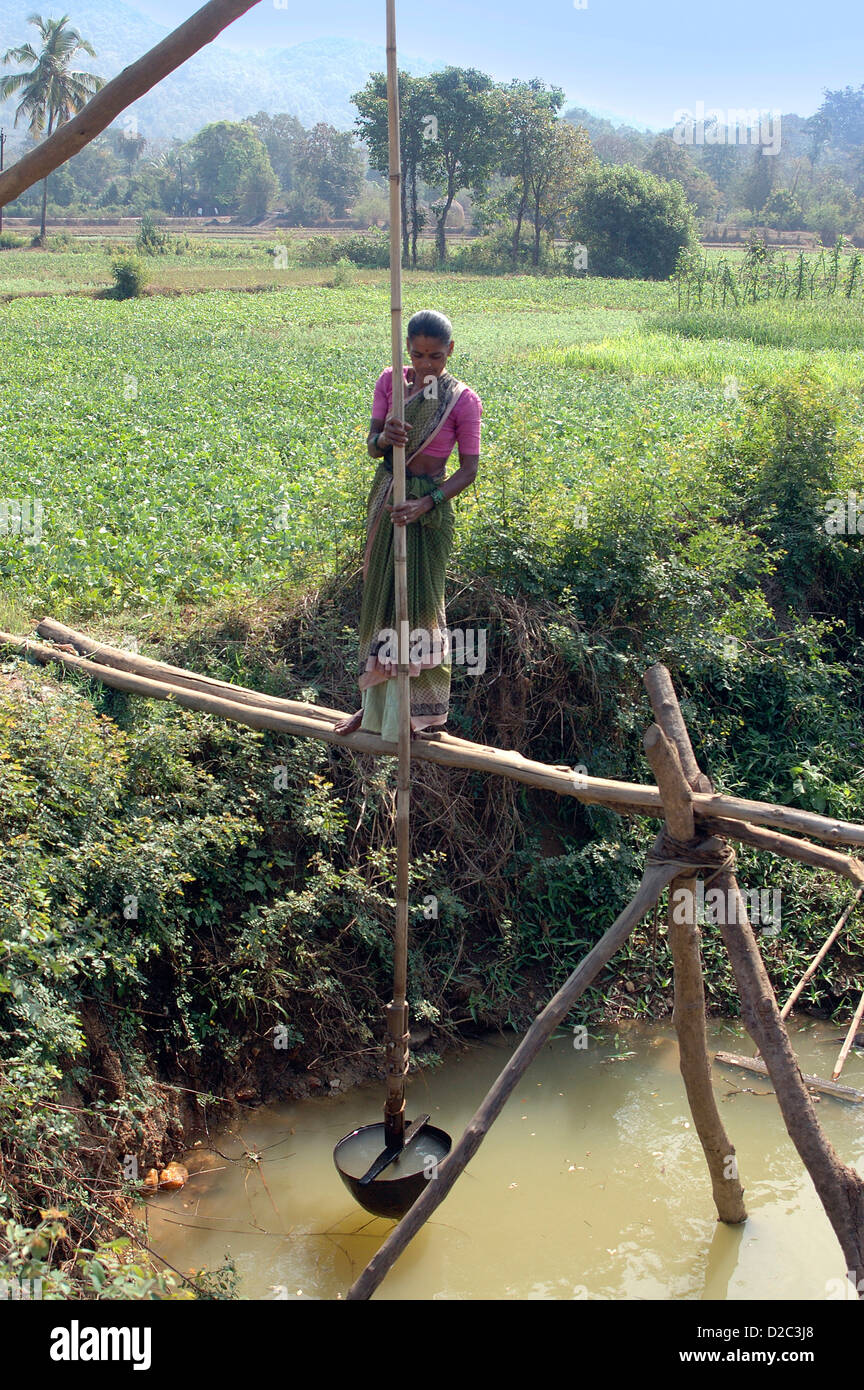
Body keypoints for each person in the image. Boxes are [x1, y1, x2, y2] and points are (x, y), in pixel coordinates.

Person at [335, 309, 482, 742]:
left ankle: (418, 717)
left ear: (450, 351)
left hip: (428, 513)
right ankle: (372, 710)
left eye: (435, 356)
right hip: (387, 499)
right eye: (417, 355)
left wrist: (426, 503)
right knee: (381, 603)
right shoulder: (390, 383)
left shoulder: (462, 399)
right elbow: (371, 445)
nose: (426, 366)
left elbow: (469, 470)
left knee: (420, 609)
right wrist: (386, 439)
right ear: (407, 351)